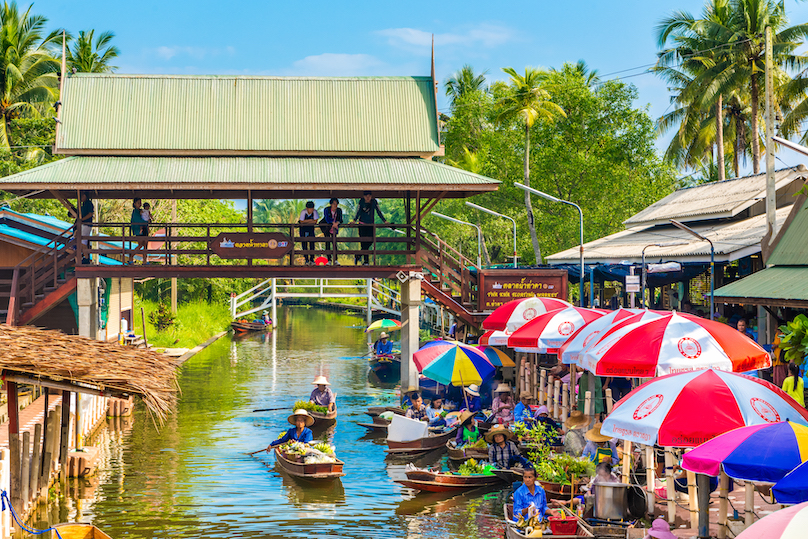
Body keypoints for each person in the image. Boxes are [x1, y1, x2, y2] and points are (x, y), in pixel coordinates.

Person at [350, 191, 387, 265]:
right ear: (364, 196)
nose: (368, 197)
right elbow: (358, 211)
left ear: (371, 196)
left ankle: (358, 255)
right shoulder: (361, 202)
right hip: (362, 225)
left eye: (369, 196)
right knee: (363, 243)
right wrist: (354, 220)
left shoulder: (374, 202)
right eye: (366, 196)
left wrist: (385, 221)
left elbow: (379, 212)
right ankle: (366, 261)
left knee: (371, 241)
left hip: (370, 225)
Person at [319, 198, 343, 264]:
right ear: (331, 204)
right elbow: (327, 219)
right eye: (334, 204)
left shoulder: (339, 210)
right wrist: (333, 223)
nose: (335, 206)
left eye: (336, 204)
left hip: (334, 228)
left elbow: (340, 219)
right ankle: (329, 260)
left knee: (334, 243)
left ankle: (336, 260)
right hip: (327, 228)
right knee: (327, 243)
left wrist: (336, 223)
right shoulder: (326, 209)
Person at [298, 201, 319, 265]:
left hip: (311, 229)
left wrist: (305, 221)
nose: (311, 210)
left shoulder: (315, 212)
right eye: (310, 208)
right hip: (303, 229)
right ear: (307, 208)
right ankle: (306, 259)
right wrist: (311, 221)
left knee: (312, 243)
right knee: (304, 244)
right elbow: (301, 222)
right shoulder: (303, 212)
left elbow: (315, 221)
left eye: (312, 208)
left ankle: (312, 259)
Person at [76, 192, 95, 263]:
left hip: (87, 224)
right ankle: (85, 257)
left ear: (84, 196)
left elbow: (90, 214)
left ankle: (86, 258)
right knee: (81, 242)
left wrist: (82, 220)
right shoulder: (83, 204)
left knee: (83, 242)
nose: (80, 199)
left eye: (81, 197)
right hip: (83, 224)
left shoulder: (89, 204)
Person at [129, 198, 148, 264]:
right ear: (134, 204)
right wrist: (146, 222)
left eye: (140, 203)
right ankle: (131, 257)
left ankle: (145, 261)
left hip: (144, 229)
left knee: (145, 245)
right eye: (138, 203)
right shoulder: (135, 212)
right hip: (139, 230)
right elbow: (138, 221)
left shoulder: (141, 211)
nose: (139, 204)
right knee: (140, 244)